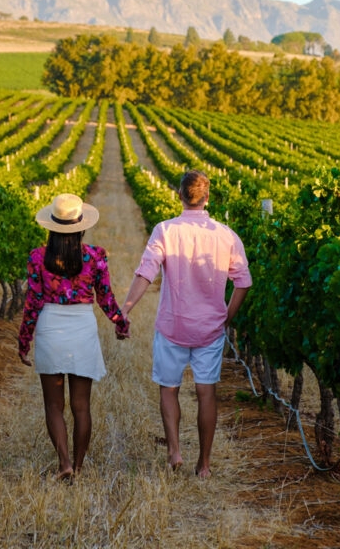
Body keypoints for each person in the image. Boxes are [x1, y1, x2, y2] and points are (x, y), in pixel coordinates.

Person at [121, 170, 251, 478]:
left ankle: (175, 451)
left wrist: (126, 308)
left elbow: (146, 272)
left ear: (179, 196)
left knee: (169, 390)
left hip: (172, 326)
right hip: (210, 329)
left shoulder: (165, 230)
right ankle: (204, 465)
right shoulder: (226, 234)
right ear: (208, 198)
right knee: (207, 393)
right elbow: (243, 282)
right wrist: (226, 315)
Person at [18, 193, 130, 481]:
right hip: (82, 327)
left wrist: (24, 340)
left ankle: (64, 462)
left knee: (54, 405)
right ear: (81, 227)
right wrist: (120, 322)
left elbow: (33, 302)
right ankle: (78, 467)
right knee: (82, 405)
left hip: (50, 327)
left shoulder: (37, 257)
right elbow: (105, 297)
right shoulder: (95, 256)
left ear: (51, 226)